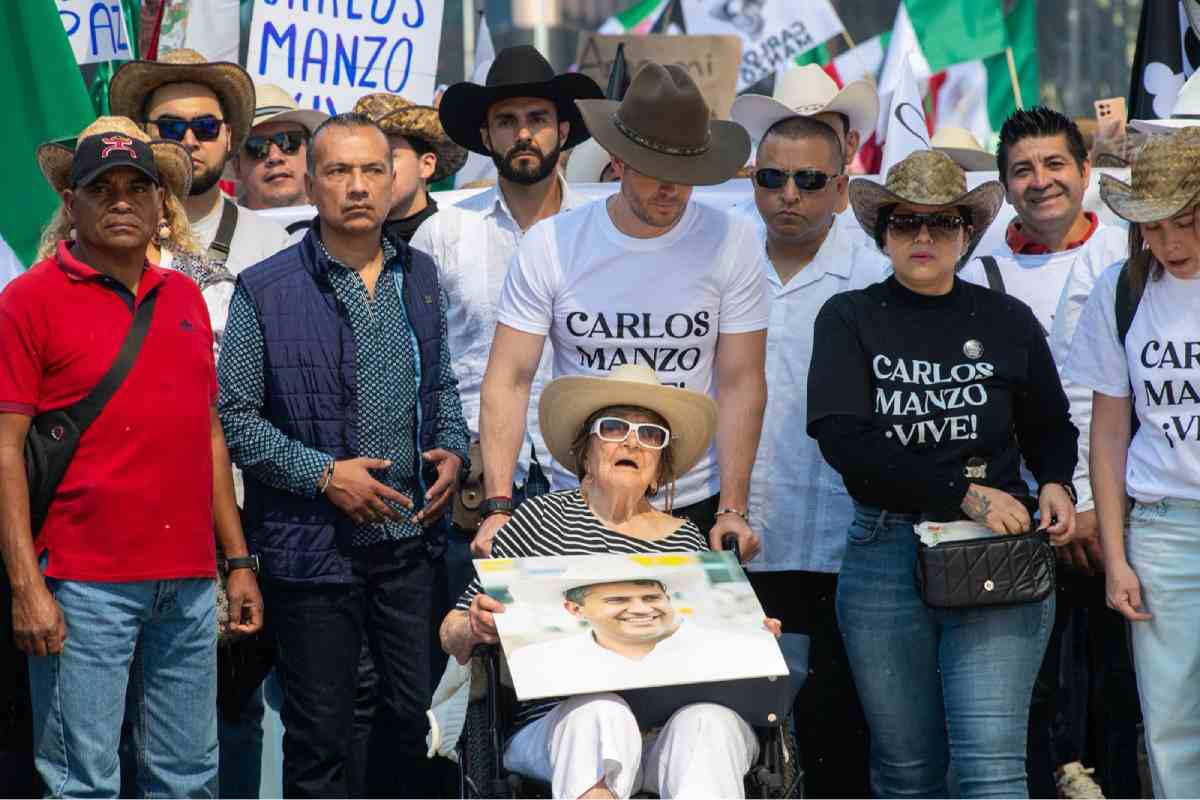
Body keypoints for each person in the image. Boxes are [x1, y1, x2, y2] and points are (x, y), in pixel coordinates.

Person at [0, 120, 262, 797]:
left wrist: (235, 563)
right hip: (82, 585)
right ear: (72, 205)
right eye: (101, 188)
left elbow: (207, 433)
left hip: (188, 583)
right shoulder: (28, 299)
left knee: (189, 780)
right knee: (82, 784)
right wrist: (27, 586)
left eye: (136, 188)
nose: (121, 201)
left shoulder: (182, 297)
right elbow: (3, 451)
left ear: (158, 205)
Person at [807, 149, 1079, 797]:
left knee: (989, 766)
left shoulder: (1005, 318)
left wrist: (1056, 482)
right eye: (904, 223)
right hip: (885, 551)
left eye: (943, 224)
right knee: (907, 772)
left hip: (997, 554)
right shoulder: (849, 317)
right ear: (882, 234)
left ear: (966, 232)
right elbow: (843, 438)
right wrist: (961, 494)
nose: (923, 238)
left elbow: (1050, 422)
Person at [218, 112, 470, 798]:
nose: (357, 187)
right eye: (338, 171)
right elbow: (236, 418)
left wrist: (453, 447)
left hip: (408, 546)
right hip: (310, 553)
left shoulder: (418, 274)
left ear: (395, 180)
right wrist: (324, 475)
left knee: (414, 723)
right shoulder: (265, 288)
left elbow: (440, 382)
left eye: (371, 171)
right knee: (320, 735)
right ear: (312, 181)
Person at [476, 62, 767, 564]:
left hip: (688, 496)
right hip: (574, 497)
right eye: (655, 171)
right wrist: (499, 504)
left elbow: (741, 379)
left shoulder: (731, 240)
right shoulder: (554, 243)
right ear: (618, 159)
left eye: (685, 172)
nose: (671, 188)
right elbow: (509, 377)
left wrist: (732, 507)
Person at [442, 364, 775, 799]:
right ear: (586, 451)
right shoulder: (539, 521)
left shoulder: (687, 540)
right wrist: (474, 625)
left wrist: (752, 637)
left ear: (659, 471)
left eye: (651, 435)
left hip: (667, 729)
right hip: (560, 725)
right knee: (601, 713)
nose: (632, 442)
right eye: (614, 427)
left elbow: (716, 644)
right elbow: (450, 632)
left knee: (708, 722)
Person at [959, 106, 1134, 799]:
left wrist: (1096, 509)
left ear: (1085, 171)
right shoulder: (976, 267)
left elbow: (1124, 396)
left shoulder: (1129, 253)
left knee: (1117, 696)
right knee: (1029, 701)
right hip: (1014, 518)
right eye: (1023, 170)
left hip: (1119, 509)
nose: (1041, 182)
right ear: (1004, 184)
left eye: (1055, 164)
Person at [728, 109, 885, 797]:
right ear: (751, 182)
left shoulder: (875, 277)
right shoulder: (719, 261)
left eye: (809, 179)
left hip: (841, 543)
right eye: (772, 177)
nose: (788, 194)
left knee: (835, 732)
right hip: (733, 538)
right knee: (732, 737)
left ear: (842, 189)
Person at [411, 45, 604, 597]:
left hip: (584, 470)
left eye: (537, 119)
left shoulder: (601, 230)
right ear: (487, 137)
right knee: (470, 657)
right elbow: (421, 363)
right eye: (507, 121)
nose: (523, 133)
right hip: (474, 479)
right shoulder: (445, 232)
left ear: (563, 131)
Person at [1063, 128, 1200, 799]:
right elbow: (1108, 433)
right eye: (1152, 228)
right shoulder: (1123, 290)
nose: (1170, 245)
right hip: (1164, 528)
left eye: (1186, 223)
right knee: (1170, 723)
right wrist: (1116, 556)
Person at [109, 48, 290, 275]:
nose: (190, 140)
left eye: (206, 127)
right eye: (171, 128)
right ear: (143, 133)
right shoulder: (112, 235)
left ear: (228, 136)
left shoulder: (272, 245)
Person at [505, 575, 784, 698]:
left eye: (652, 597)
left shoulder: (727, 644)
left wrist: (763, 645)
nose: (641, 609)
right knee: (597, 713)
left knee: (706, 721)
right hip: (580, 730)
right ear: (575, 609)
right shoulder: (540, 659)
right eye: (617, 599)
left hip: (688, 728)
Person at [354, 92, 467, 243]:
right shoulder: (332, 241)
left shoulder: (456, 242)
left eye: (387, 155)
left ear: (426, 165)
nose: (371, 169)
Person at [231, 82, 328, 212]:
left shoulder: (345, 228)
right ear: (237, 166)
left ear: (310, 155)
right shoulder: (214, 231)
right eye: (256, 146)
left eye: (289, 141)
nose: (275, 157)